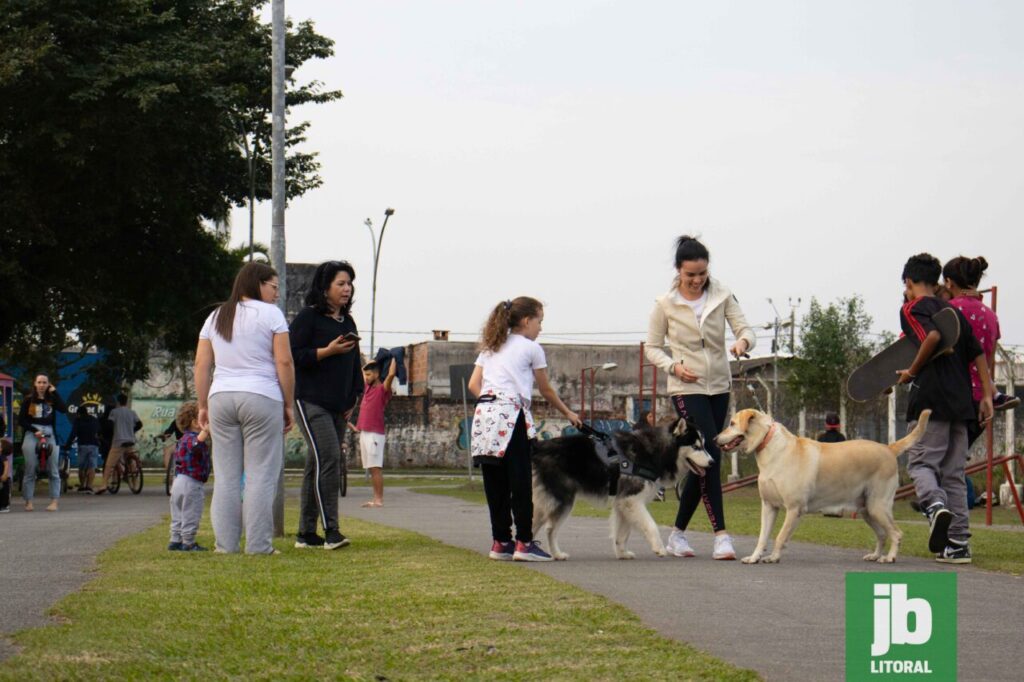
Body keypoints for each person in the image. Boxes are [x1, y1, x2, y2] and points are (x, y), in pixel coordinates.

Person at [645, 236, 757, 560]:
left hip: (719, 385)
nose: (697, 280)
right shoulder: (664, 304)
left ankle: (677, 535)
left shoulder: (722, 295)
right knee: (710, 452)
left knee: (703, 460)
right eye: (690, 274)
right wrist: (674, 367)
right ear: (678, 270)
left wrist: (742, 344)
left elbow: (744, 329)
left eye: (702, 273)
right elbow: (652, 347)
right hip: (685, 387)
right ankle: (721, 535)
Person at [467, 297, 582, 562]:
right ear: (527, 320)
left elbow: (475, 384)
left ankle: (501, 542)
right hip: (511, 415)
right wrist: (568, 413)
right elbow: (545, 389)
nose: (540, 328)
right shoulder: (532, 348)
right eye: (540, 321)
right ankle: (524, 543)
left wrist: (491, 401)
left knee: (493, 481)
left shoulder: (491, 346)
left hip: (485, 416)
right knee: (519, 481)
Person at [897, 253, 994, 564]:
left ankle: (935, 505)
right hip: (962, 401)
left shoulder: (912, 307)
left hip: (930, 399)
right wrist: (988, 394)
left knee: (921, 465)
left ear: (909, 283)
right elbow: (977, 351)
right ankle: (958, 545)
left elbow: (933, 337)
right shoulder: (951, 309)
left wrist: (911, 372)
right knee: (953, 473)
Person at [195, 261, 295, 555]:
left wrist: (202, 405)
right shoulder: (271, 315)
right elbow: (284, 362)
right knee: (260, 475)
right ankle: (259, 546)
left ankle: (225, 545)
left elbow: (202, 364)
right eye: (274, 286)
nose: (277, 293)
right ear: (259, 284)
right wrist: (288, 404)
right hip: (261, 396)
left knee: (225, 476)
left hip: (221, 398)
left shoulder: (217, 315)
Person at [289, 260, 363, 550]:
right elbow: (293, 356)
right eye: (340, 284)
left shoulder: (348, 322)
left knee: (315, 464)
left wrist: (354, 398)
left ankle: (306, 533)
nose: (346, 289)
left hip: (340, 406)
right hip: (310, 401)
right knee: (330, 458)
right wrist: (327, 351)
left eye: (349, 284)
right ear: (325, 287)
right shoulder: (308, 317)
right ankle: (331, 530)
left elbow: (354, 364)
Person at [943, 256, 1018, 423]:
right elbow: (988, 361)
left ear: (948, 282)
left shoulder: (947, 311)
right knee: (961, 448)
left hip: (949, 395)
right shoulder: (991, 315)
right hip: (981, 399)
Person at [18, 374, 67, 511]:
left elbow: (63, 409)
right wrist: (34, 430)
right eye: (39, 382)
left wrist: (55, 392)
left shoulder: (52, 399)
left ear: (48, 384)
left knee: (53, 469)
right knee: (30, 467)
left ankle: (54, 501)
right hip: (32, 432)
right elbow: (21, 420)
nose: (41, 385)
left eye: (44, 382)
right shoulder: (28, 400)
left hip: (50, 432)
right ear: (35, 384)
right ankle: (28, 501)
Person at [168, 402, 211, 552]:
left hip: (178, 481)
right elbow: (195, 446)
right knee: (191, 512)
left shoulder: (182, 439)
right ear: (195, 422)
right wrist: (205, 432)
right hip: (192, 482)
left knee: (178, 512)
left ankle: (175, 539)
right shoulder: (192, 439)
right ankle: (188, 541)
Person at [355, 359, 398, 508]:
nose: (366, 377)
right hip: (365, 432)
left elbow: (391, 374)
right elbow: (360, 371)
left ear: (377, 374)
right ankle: (374, 499)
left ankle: (379, 500)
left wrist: (394, 358)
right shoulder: (367, 387)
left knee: (375, 468)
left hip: (375, 435)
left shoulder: (382, 389)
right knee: (370, 468)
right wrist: (370, 362)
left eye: (369, 374)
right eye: (365, 375)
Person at [96, 394, 141, 494]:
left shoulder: (114, 412)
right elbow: (139, 424)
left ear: (118, 402)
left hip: (118, 441)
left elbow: (109, 424)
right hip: (130, 439)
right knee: (130, 460)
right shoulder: (132, 412)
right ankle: (135, 482)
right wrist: (131, 430)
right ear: (126, 401)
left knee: (109, 464)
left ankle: (104, 484)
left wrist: (116, 430)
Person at [66, 405, 101, 493]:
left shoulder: (78, 420)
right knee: (92, 466)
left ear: (79, 413)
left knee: (82, 467)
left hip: (82, 445)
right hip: (94, 445)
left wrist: (68, 444)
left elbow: (73, 434)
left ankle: (82, 485)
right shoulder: (94, 419)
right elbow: (99, 431)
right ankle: (89, 486)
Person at [1, 436, 12, 513]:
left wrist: (5, 474)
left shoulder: (2, 457)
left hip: (2, 478)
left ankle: (5, 505)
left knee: (3, 492)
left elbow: (6, 465)